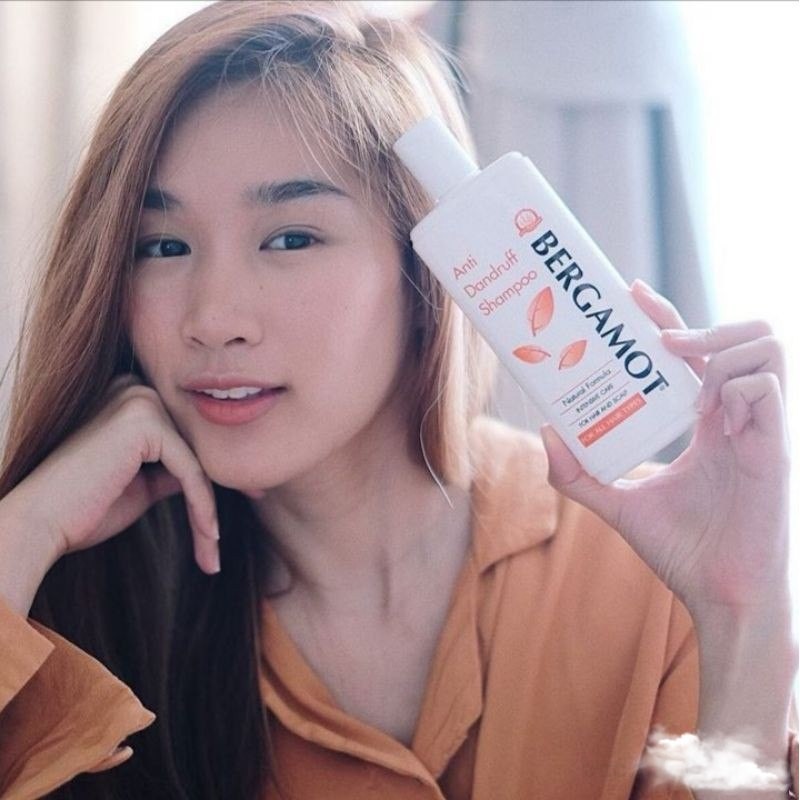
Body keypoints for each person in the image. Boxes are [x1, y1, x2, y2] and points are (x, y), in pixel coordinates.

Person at [0, 2, 796, 798]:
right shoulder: (76, 605)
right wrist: (22, 532)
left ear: (428, 270)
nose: (212, 319)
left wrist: (743, 614)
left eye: (290, 238)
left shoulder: (641, 570)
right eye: (163, 246)